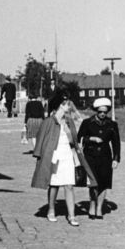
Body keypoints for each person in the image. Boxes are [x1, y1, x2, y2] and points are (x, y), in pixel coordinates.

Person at [31, 94, 94, 226]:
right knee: (54, 184)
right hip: (53, 155)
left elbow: (74, 142)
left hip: (67, 155)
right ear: (60, 105)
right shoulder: (48, 121)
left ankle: (72, 215)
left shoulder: (69, 121)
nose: (69, 106)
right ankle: (51, 210)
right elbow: (40, 141)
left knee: (69, 185)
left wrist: (68, 132)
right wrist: (40, 160)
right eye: (66, 104)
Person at [77, 98, 121, 220]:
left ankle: (99, 208)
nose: (102, 114)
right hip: (90, 156)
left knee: (104, 183)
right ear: (96, 111)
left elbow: (116, 143)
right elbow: (79, 138)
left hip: (106, 157)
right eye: (100, 111)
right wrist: (91, 139)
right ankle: (92, 205)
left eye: (105, 112)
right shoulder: (87, 123)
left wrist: (116, 158)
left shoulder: (112, 125)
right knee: (93, 183)